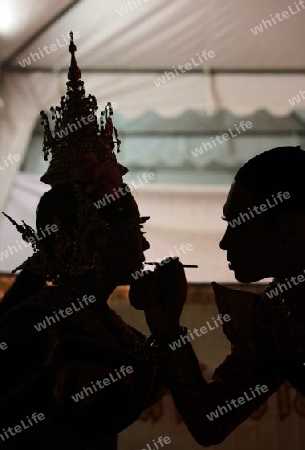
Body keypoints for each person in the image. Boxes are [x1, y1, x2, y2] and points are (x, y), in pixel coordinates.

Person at [0, 33, 166, 449]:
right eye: (134, 230)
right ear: (92, 238)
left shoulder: (94, 320)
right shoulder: (50, 326)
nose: (145, 248)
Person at [130, 145, 305, 447]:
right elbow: (211, 421)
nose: (224, 243)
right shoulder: (274, 313)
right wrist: (167, 329)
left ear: (290, 227)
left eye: (237, 223)